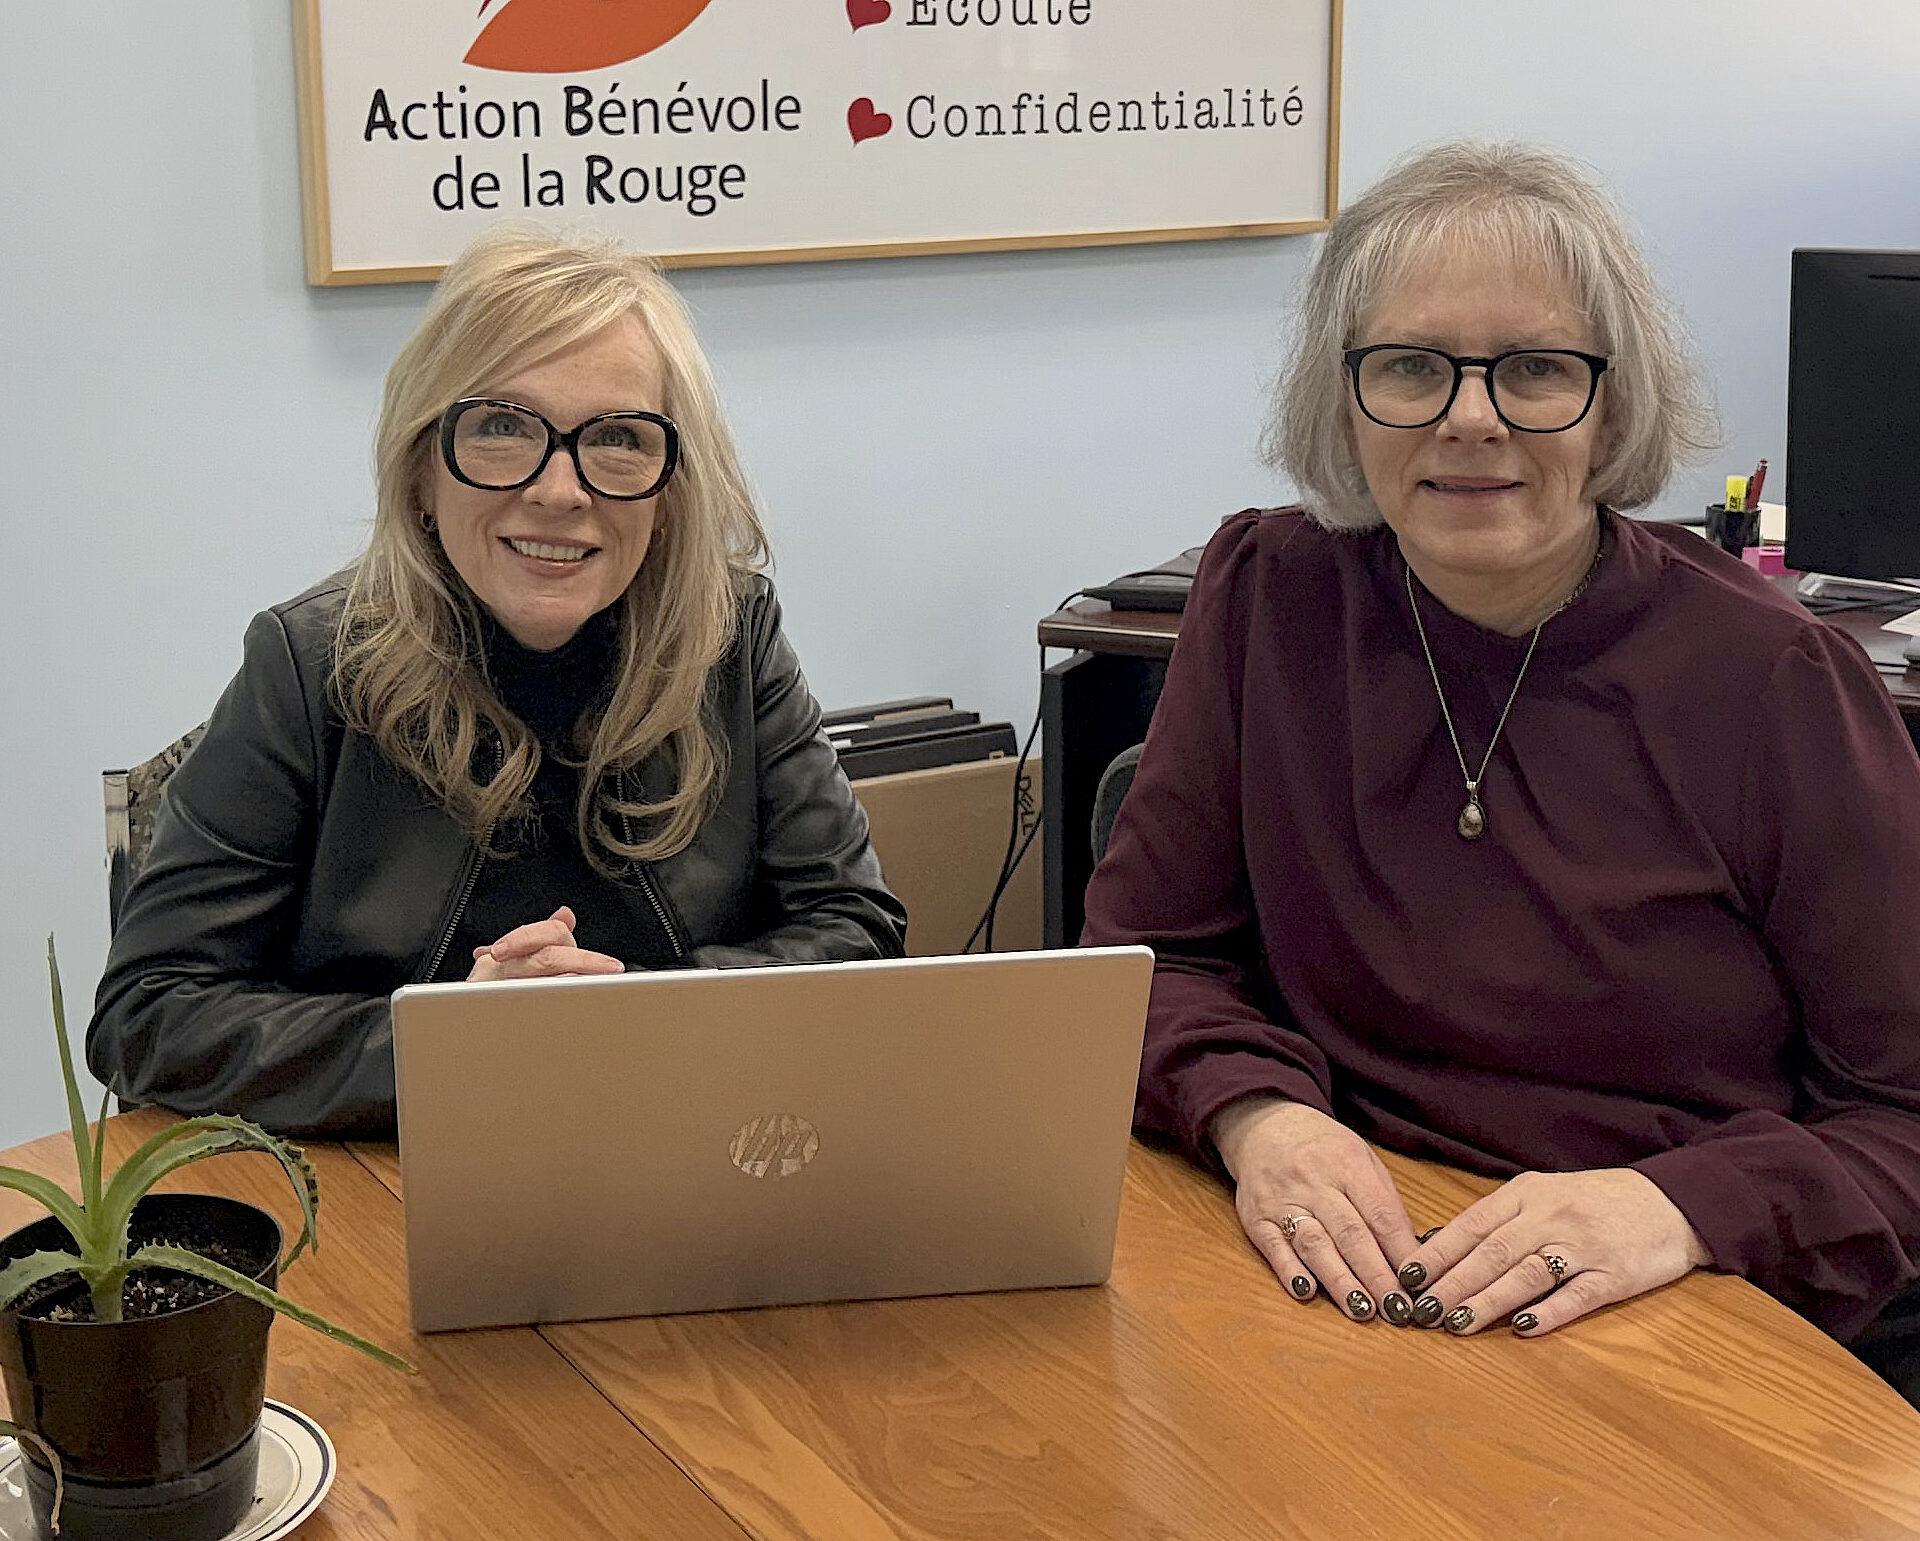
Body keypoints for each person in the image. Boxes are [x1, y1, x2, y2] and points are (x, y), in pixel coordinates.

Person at [1080, 142, 1920, 1398]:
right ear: (1345, 395)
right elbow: (1146, 965)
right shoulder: (1268, 598)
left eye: (1533, 368)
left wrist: (1677, 1207)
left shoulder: (1776, 685)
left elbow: (1903, 1115)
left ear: (1611, 401)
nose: (1470, 417)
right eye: (1412, 365)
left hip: (1681, 1317)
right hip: (1345, 1277)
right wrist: (1262, 1117)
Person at [89, 226, 907, 1137]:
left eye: (620, 439)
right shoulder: (305, 665)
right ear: (421, 472)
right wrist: (449, 1042)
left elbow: (855, 932)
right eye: (502, 427)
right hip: (385, 1181)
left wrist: (642, 1012)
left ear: (673, 488)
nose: (561, 490)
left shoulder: (732, 637)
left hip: (683, 1153)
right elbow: (149, 1013)